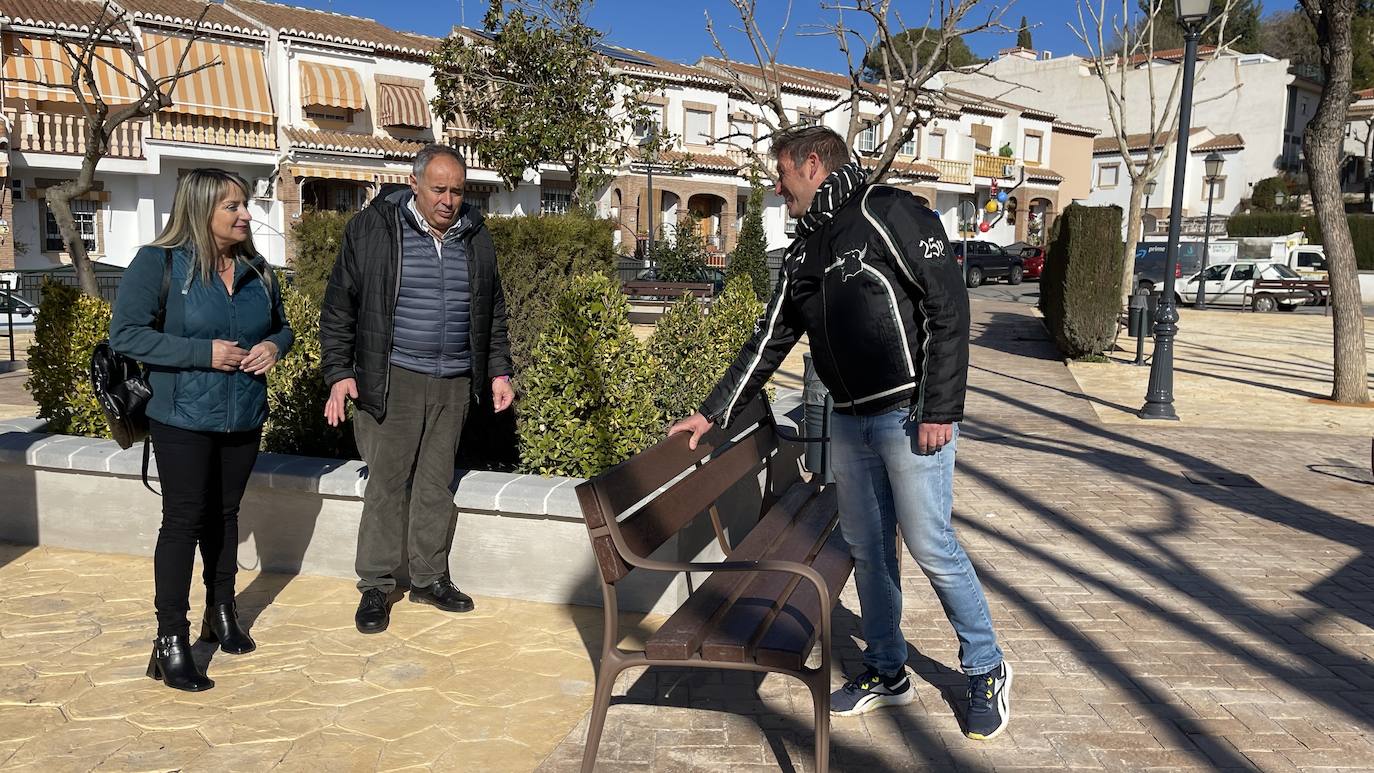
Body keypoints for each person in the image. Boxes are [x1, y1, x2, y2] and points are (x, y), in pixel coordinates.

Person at [669, 126, 1011, 740]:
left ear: (812, 162)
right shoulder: (803, 250)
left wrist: (940, 407)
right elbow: (770, 337)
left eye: (782, 173)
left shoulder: (888, 213)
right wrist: (714, 411)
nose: (776, 187)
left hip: (910, 416)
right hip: (851, 425)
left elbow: (947, 308)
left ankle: (984, 666)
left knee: (931, 545)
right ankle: (886, 668)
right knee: (868, 550)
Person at [111, 168, 293, 692]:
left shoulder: (258, 268)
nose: (245, 214)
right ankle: (170, 638)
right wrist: (201, 353)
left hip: (243, 415)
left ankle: (221, 611)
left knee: (226, 515)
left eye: (244, 204)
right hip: (183, 417)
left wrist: (275, 347)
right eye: (232, 206)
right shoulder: (160, 263)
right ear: (201, 210)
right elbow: (125, 335)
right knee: (184, 520)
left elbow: (281, 325)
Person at [320, 144, 513, 634]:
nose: (449, 200)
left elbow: (492, 310)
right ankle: (377, 586)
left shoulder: (475, 235)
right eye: (439, 189)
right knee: (386, 484)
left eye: (457, 191)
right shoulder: (374, 230)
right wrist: (339, 373)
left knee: (433, 485)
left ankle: (428, 578)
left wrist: (497, 371)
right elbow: (340, 306)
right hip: (393, 377)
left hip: (453, 381)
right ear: (415, 184)